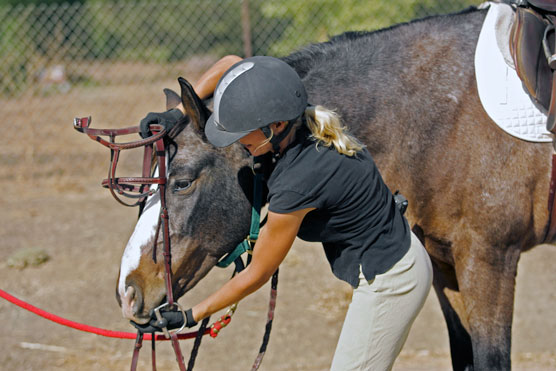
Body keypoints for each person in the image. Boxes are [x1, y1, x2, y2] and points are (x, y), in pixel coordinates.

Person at [140, 56, 432, 370]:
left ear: (275, 126)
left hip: (392, 281)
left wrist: (189, 316)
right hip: (397, 254)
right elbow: (235, 64)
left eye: (242, 132)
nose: (236, 141)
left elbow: (257, 273)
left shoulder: (297, 181)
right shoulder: (296, 117)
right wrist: (178, 112)